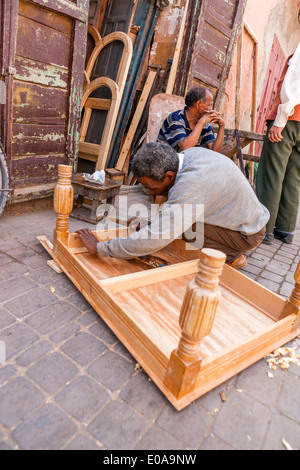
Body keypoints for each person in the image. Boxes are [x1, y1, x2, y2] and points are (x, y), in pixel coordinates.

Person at [76, 142, 269, 269]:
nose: (151, 193)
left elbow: (159, 234)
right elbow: (174, 212)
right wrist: (148, 222)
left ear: (169, 175)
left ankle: (231, 255)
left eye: (151, 187)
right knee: (174, 221)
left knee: (178, 229)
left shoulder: (192, 183)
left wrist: (102, 248)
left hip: (247, 234)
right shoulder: (187, 156)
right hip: (242, 218)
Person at [256, 42, 300, 245]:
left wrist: (280, 121)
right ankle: (285, 228)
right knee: (294, 175)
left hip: (291, 119)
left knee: (272, 173)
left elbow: (293, 86)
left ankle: (263, 228)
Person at [157, 86, 225, 153]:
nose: (211, 109)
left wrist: (222, 126)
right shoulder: (175, 118)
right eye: (209, 105)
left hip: (183, 161)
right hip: (164, 160)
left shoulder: (204, 124)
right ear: (198, 104)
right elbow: (185, 147)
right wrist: (201, 123)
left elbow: (215, 151)